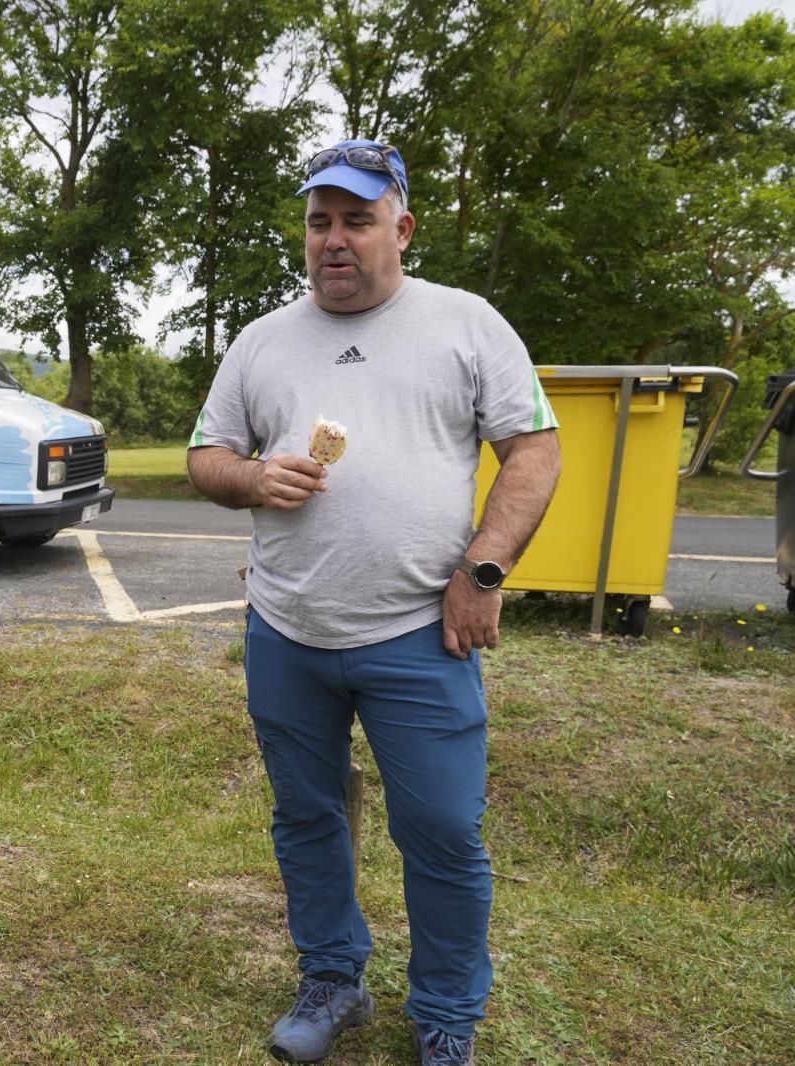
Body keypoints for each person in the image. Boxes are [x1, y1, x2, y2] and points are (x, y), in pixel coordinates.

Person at [187, 140, 560, 1066]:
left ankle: (444, 1016)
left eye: (356, 219)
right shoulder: (262, 339)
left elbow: (534, 452)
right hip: (287, 627)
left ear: (403, 226)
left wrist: (482, 572)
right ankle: (332, 979)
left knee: (439, 828)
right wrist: (251, 477)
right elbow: (206, 457)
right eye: (320, 222)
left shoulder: (465, 324)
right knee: (305, 815)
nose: (335, 240)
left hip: (419, 633)